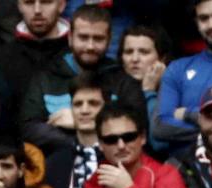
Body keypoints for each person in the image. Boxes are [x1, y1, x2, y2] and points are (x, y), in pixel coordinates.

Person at [20, 5, 144, 155]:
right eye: (83, 37)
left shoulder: (123, 81)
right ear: (70, 37)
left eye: (98, 39)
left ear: (109, 39)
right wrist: (78, 141)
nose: (90, 46)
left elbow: (136, 129)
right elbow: (28, 127)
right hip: (59, 166)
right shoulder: (46, 76)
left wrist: (80, 123)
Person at [152, 0, 212, 153]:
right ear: (196, 22)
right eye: (204, 18)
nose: (211, 24)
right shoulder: (177, 68)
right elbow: (159, 127)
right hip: (184, 170)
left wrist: (186, 114)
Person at [43, 70, 101, 188]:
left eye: (93, 103)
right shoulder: (54, 163)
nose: (84, 110)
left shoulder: (120, 158)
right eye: (78, 104)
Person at [0, 0, 70, 115]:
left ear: (61, 5)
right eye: (29, 3)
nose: (37, 11)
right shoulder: (1, 58)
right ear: (19, 6)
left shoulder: (79, 55)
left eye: (46, 2)